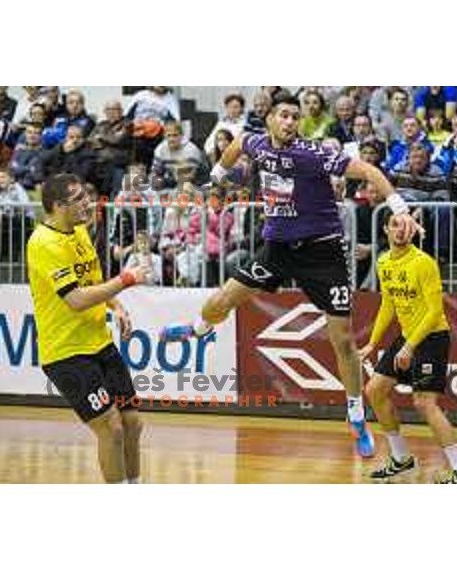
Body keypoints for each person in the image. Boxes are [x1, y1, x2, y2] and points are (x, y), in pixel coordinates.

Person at [159, 92, 421, 458]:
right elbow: (236, 145)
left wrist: (400, 208)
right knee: (219, 302)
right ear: (269, 119)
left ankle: (356, 416)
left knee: (343, 341)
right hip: (278, 250)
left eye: (294, 117)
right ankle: (197, 331)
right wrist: (217, 174)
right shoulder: (255, 141)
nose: (289, 122)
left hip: (322, 253)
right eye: (283, 115)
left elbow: (369, 171)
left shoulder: (313, 154)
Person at [26, 173, 148, 484]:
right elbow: (77, 299)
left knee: (133, 422)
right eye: (78, 198)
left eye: (86, 196)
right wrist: (126, 280)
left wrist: (116, 306)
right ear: (57, 206)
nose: (87, 203)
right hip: (66, 353)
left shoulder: (79, 230)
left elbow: (92, 282)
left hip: (99, 344)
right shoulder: (43, 243)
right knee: (111, 427)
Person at [359, 211, 457, 484]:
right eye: (395, 225)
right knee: (375, 390)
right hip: (407, 336)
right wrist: (372, 343)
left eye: (405, 225)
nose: (400, 230)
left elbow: (435, 311)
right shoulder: (384, 261)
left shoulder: (424, 263)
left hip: (432, 337)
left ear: (412, 230)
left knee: (424, 403)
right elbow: (388, 304)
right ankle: (401, 458)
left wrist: (409, 347)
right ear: (386, 229)